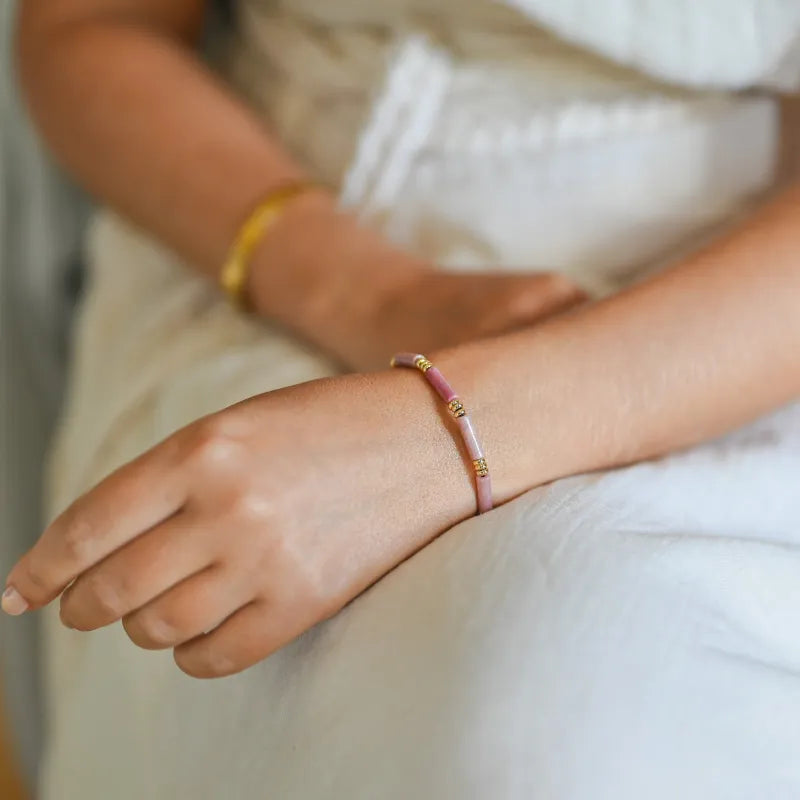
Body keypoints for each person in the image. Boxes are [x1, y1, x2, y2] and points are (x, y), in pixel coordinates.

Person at [6, 0, 800, 796]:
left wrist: (443, 435)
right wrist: (372, 297)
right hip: (263, 237)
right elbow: (92, 26)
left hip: (733, 336)